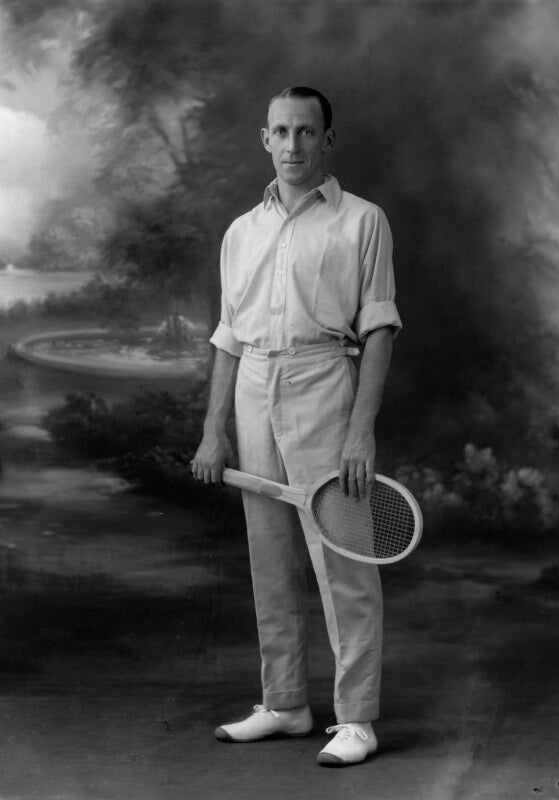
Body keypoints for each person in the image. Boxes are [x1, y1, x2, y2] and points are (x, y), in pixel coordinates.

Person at [191, 86, 401, 767]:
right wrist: (213, 429)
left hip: (324, 382)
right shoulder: (240, 232)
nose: (292, 145)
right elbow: (229, 336)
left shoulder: (362, 221)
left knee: (343, 560)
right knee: (269, 558)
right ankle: (284, 705)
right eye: (280, 132)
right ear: (265, 139)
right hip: (252, 387)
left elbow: (378, 328)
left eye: (306, 132)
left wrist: (361, 431)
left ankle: (357, 718)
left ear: (326, 140)